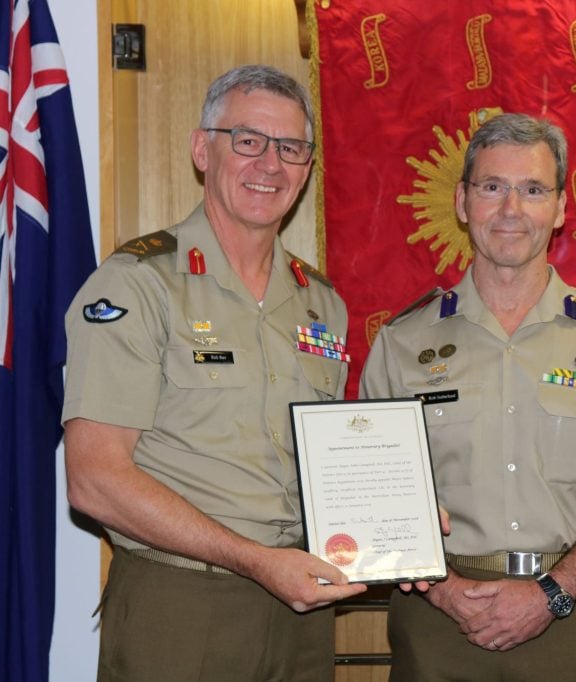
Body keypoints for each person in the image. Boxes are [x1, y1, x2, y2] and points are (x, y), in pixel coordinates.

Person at [62, 65, 367, 681]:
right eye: (248, 140)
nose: (271, 165)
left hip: (300, 609)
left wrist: (396, 520)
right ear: (204, 150)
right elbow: (94, 479)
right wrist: (256, 561)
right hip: (180, 605)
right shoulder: (138, 284)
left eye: (291, 149)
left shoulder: (321, 302)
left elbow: (328, 465)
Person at [359, 113, 576, 681]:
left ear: (559, 209)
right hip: (440, 619)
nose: (511, 210)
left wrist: (552, 593)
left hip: (574, 615)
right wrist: (447, 591)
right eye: (492, 187)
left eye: (532, 190)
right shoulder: (401, 344)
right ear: (462, 202)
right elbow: (378, 498)